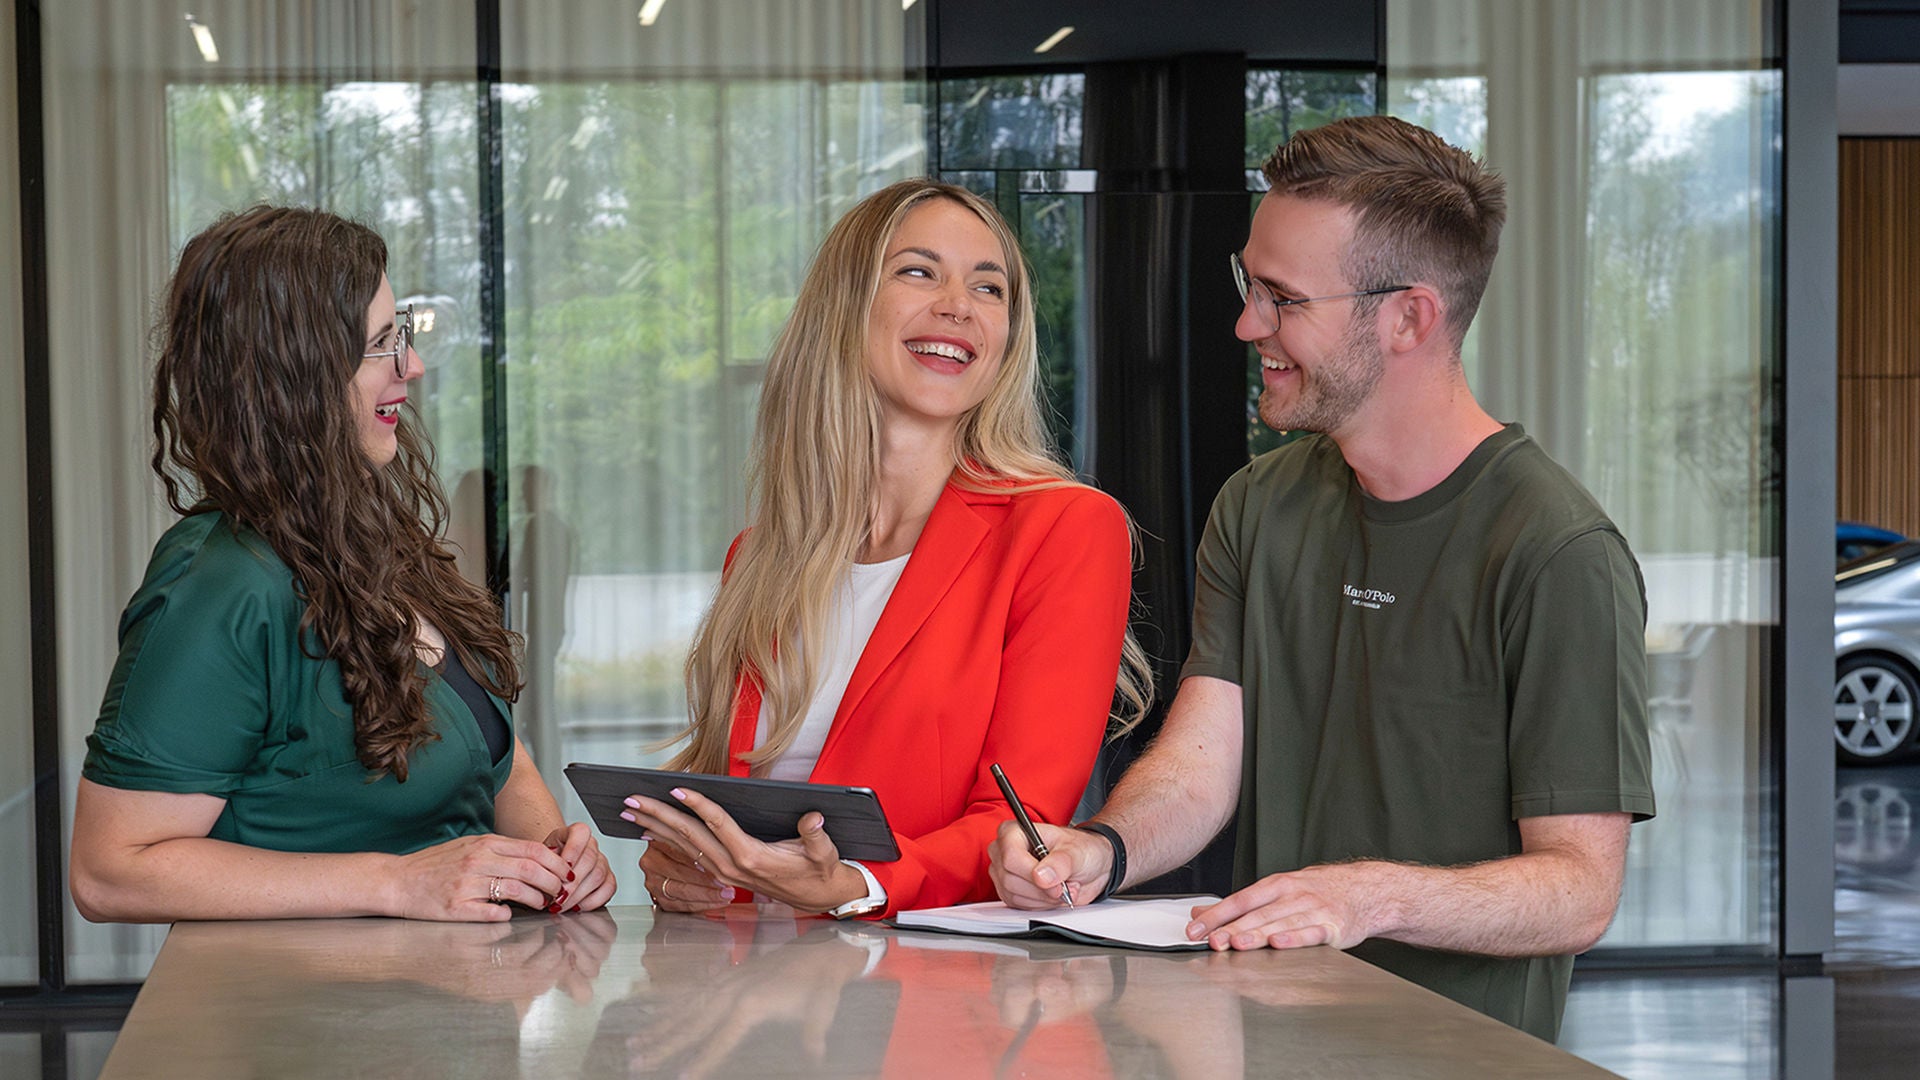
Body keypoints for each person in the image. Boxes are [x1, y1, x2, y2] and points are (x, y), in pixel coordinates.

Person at [989, 116, 1655, 1041]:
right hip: (1264, 1045)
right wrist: (1103, 849)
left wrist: (1365, 897)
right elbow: (1203, 764)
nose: (1246, 323)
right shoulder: (1259, 505)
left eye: (1282, 299)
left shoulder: (1556, 551)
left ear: (1408, 318)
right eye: (1248, 285)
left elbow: (1579, 891)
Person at [621, 179, 1153, 918]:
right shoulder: (761, 556)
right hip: (745, 990)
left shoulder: (1063, 528)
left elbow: (1020, 827)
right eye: (918, 271)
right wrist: (690, 860)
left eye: (989, 287)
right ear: (845, 305)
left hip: (934, 996)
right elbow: (739, 807)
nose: (958, 305)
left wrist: (856, 885)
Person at [69, 206, 614, 922]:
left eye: (404, 336)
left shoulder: (370, 537)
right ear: (291, 377)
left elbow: (492, 755)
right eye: (380, 345)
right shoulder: (223, 583)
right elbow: (110, 872)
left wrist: (556, 854)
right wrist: (397, 883)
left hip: (449, 1013)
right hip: (304, 1023)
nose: (411, 366)